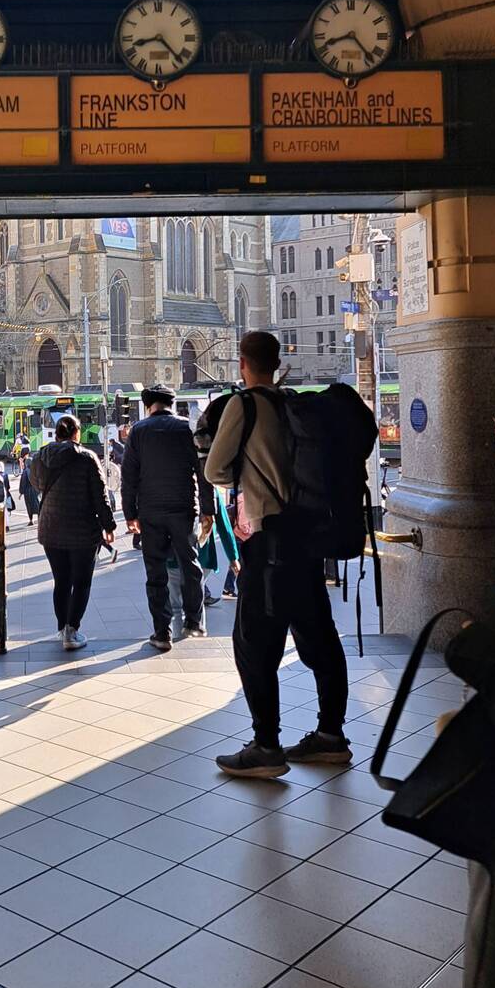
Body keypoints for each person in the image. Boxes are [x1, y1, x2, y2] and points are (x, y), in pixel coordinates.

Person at [204, 330, 351, 779]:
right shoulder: (296, 404)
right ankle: (331, 736)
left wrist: (246, 475)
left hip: (268, 541)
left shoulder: (243, 405)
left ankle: (266, 744)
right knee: (319, 635)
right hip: (307, 535)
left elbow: (215, 470)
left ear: (243, 364)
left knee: (254, 642)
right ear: (280, 361)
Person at [121, 382, 214, 652]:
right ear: (171, 405)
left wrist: (130, 514)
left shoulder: (138, 431)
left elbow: (129, 478)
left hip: (150, 512)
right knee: (190, 564)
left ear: (149, 406)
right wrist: (209, 510)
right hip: (184, 508)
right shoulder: (187, 428)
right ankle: (194, 622)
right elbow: (204, 472)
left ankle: (162, 633)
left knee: (155, 571)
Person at [30, 414, 115, 652]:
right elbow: (101, 495)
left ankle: (61, 628)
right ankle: (72, 630)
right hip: (82, 530)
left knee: (61, 580)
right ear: (77, 433)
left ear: (56, 434)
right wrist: (109, 526)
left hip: (51, 528)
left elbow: (36, 483)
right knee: (82, 581)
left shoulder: (40, 457)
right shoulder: (87, 458)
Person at [19, 456, 40, 525]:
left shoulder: (25, 472)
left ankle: (31, 520)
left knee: (29, 506)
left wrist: (21, 492)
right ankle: (39, 518)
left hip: (28, 491)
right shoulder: (36, 470)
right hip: (36, 490)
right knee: (37, 504)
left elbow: (23, 482)